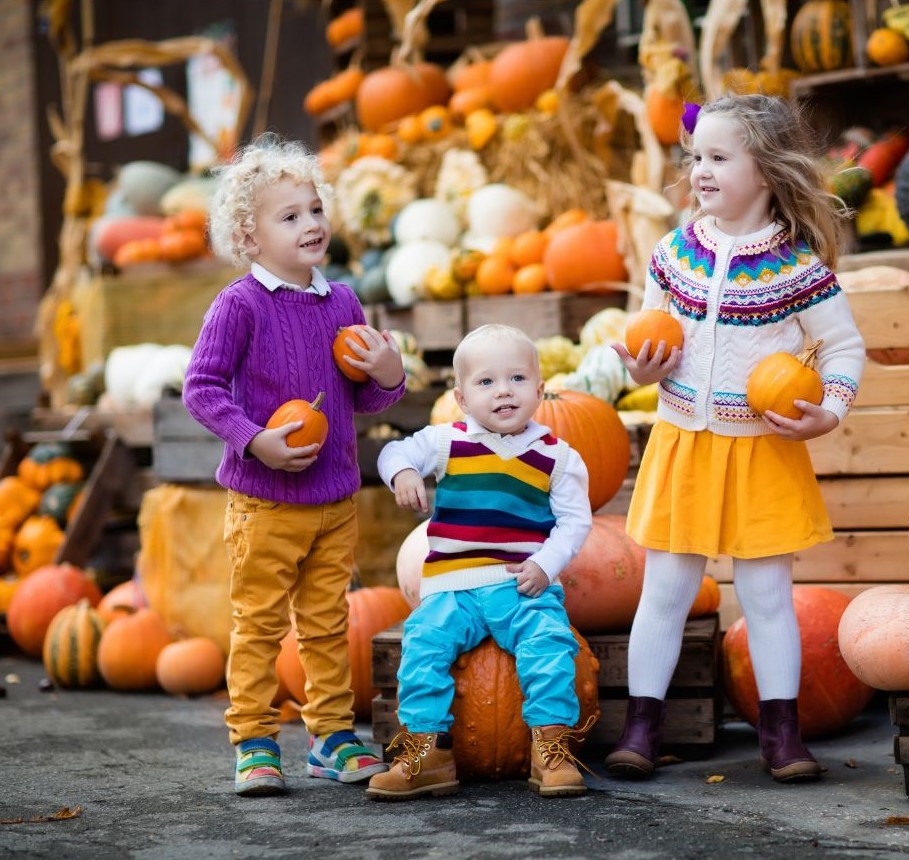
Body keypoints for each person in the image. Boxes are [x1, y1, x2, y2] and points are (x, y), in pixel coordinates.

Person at [606, 94, 865, 783]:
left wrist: (829, 412)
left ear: (769, 171)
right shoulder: (674, 252)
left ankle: (782, 733)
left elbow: (842, 348)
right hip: (685, 440)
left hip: (762, 448)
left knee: (766, 595)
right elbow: (647, 331)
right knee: (664, 589)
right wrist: (640, 365)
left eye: (719, 158)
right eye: (697, 158)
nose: (701, 172)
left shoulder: (796, 268)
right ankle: (642, 725)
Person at [184, 134, 406, 796]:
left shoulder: (342, 303)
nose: (311, 224)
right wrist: (255, 440)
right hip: (266, 503)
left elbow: (365, 395)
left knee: (327, 621)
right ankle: (253, 739)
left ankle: (331, 734)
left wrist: (390, 373)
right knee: (258, 625)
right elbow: (202, 388)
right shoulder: (240, 305)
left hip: (334, 502)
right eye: (290, 216)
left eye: (315, 209)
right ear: (250, 240)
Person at [366, 324, 595, 801]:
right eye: (486, 382)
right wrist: (404, 472)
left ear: (540, 388)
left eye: (516, 378)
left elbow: (575, 522)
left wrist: (545, 565)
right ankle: (429, 752)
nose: (503, 391)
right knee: (423, 646)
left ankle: (549, 748)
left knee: (550, 645)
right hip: (453, 584)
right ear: (462, 398)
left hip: (520, 582)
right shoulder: (446, 441)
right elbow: (393, 450)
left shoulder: (558, 456)